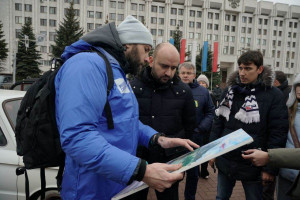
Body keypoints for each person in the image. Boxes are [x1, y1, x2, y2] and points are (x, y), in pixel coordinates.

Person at [54, 16, 199, 200]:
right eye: (146, 50)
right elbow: (77, 137)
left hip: (116, 185)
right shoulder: (86, 65)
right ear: (128, 45)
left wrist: (157, 139)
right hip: (91, 190)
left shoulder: (117, 72)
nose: (147, 59)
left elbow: (126, 122)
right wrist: (141, 170)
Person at [209, 50, 289, 200]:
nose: (242, 73)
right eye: (240, 68)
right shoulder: (230, 90)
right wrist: (212, 152)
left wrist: (269, 168)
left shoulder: (273, 95)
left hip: (254, 163)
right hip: (226, 159)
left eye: (248, 68)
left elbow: (277, 133)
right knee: (221, 197)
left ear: (259, 69)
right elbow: (218, 122)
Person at [129, 43, 196, 200]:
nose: (169, 73)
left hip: (170, 160)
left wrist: (182, 162)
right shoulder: (132, 88)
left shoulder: (183, 91)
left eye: (173, 68)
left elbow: (189, 127)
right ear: (151, 60)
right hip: (139, 160)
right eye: (164, 66)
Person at [179, 62, 215, 200]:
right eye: (183, 73)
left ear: (194, 75)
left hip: (195, 138)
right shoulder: (172, 88)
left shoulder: (203, 92)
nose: (186, 75)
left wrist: (201, 129)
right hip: (177, 139)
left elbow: (210, 112)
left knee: (193, 173)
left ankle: (190, 197)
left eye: (189, 73)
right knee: (174, 172)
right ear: (179, 74)